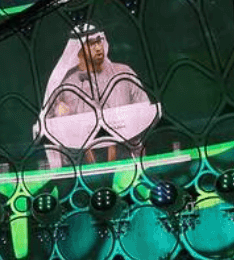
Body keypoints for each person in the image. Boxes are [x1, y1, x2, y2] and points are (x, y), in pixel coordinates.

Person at [37, 23, 154, 166]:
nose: (98, 47)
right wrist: (60, 117)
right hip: (84, 165)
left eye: (99, 41)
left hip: (127, 160)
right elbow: (47, 128)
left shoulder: (124, 73)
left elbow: (145, 113)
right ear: (77, 50)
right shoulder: (65, 85)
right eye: (91, 44)